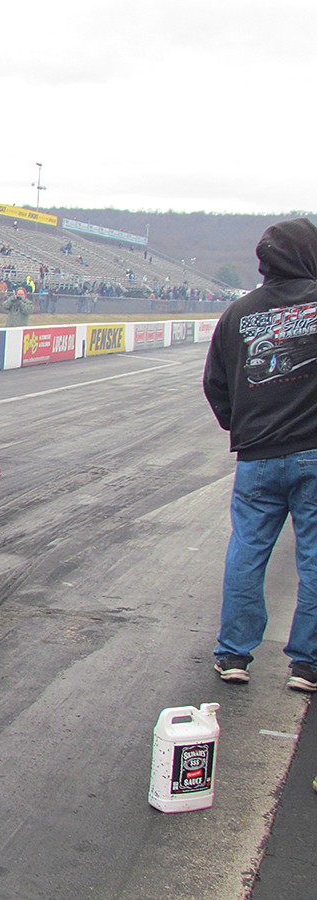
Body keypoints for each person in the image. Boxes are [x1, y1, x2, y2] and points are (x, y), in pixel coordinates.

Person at [204, 218, 317, 693]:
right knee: (313, 560)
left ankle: (234, 654)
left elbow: (215, 385)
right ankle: (306, 664)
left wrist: (244, 426)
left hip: (257, 457)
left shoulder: (237, 313)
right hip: (312, 452)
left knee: (247, 553)